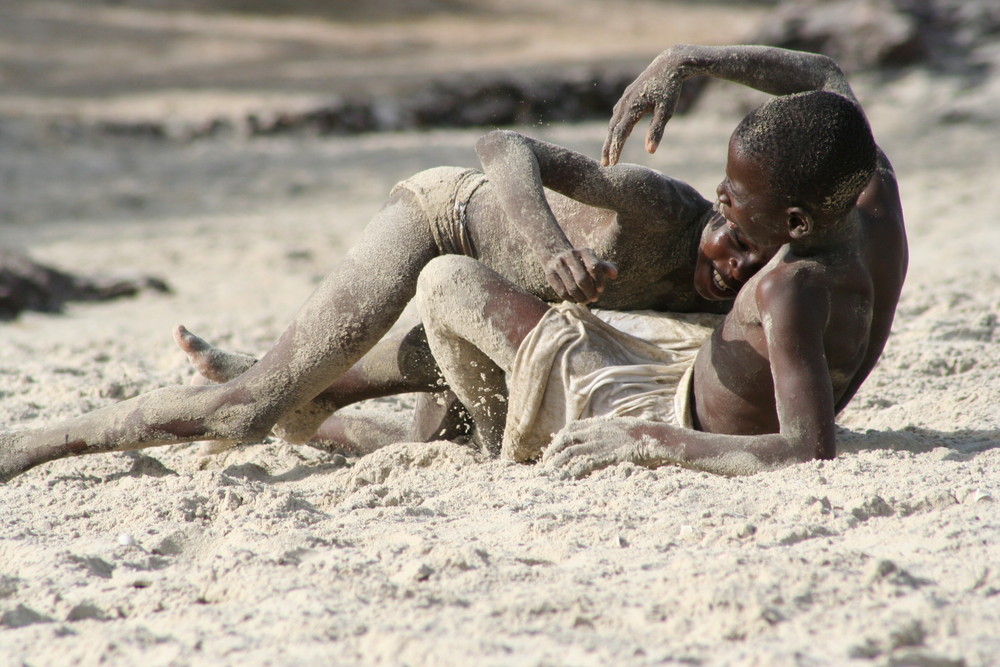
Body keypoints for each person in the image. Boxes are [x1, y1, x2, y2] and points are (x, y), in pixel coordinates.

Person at [0, 115, 768, 481]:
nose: (734, 268)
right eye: (730, 242)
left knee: (440, 442)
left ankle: (303, 384)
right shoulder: (658, 206)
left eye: (752, 260)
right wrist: (551, 249)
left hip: (481, 301)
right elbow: (504, 146)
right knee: (247, 409)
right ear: (720, 207)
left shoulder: (735, 286)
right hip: (439, 221)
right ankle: (41, 442)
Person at [409, 44, 907, 476]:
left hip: (652, 409)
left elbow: (806, 451)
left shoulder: (792, 286)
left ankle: (490, 445)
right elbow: (826, 78)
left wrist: (643, 441)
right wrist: (684, 60)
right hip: (680, 369)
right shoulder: (872, 199)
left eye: (734, 197)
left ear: (796, 224)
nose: (721, 199)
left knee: (447, 279)